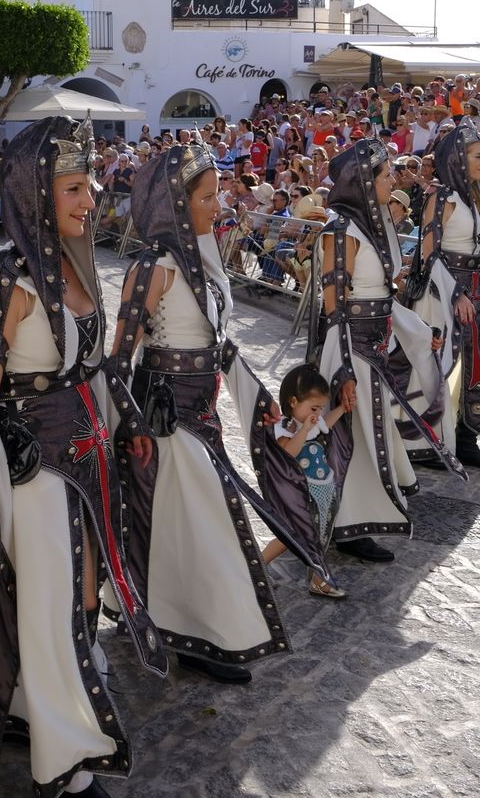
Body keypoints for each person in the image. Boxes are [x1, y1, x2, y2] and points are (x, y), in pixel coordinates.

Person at [0, 117, 165, 798]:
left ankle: (30, 711)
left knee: (78, 598)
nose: (89, 199)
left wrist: (127, 423)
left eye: (91, 185)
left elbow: (92, 368)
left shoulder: (73, 269)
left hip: (85, 464)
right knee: (51, 608)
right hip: (30, 475)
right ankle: (68, 763)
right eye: (74, 188)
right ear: (34, 192)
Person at [110, 142, 324, 684]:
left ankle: (193, 627)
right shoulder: (153, 265)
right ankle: (194, 632)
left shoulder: (204, 253)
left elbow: (216, 338)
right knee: (199, 522)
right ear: (177, 203)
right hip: (166, 419)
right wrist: (135, 426)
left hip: (202, 411)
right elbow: (117, 360)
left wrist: (254, 387)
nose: (218, 204)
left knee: (199, 523)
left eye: (217, 194)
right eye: (206, 197)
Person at [313, 140, 463, 565]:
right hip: (350, 352)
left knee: (368, 434)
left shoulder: (370, 226)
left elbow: (381, 298)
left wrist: (416, 329)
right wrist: (343, 368)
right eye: (383, 176)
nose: (392, 181)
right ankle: (346, 524)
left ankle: (360, 517)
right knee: (352, 438)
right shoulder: (340, 230)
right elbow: (334, 305)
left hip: (371, 352)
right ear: (362, 181)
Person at [404, 123, 480, 472]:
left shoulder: (476, 197)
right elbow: (429, 253)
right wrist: (456, 292)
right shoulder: (442, 197)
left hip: (474, 290)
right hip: (442, 292)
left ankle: (466, 440)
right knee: (440, 366)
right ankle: (428, 440)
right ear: (458, 159)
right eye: (478, 156)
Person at [257, 365, 349, 599]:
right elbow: (289, 452)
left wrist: (341, 409)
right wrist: (304, 428)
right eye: (314, 407)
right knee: (290, 536)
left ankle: (316, 578)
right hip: (300, 494)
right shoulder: (285, 428)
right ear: (294, 402)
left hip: (322, 490)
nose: (317, 413)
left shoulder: (312, 420)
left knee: (317, 537)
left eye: (320, 408)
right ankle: (256, 566)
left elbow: (325, 425)